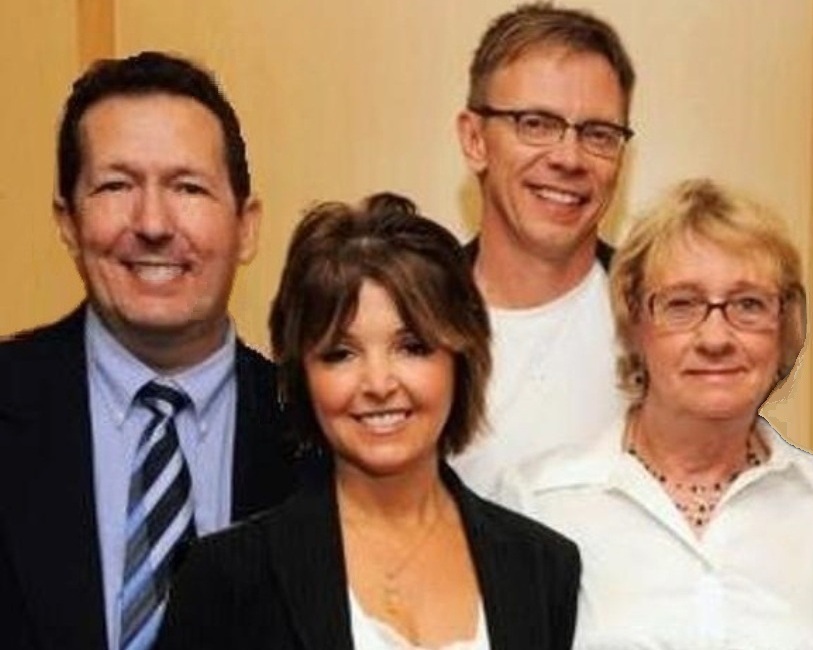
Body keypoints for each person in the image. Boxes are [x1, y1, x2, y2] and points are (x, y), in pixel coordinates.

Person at [156, 193, 581, 650]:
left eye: (412, 347)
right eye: (341, 353)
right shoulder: (227, 577)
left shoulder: (541, 567)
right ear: (303, 374)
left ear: (462, 356)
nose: (378, 383)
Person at [0, 52, 298, 650]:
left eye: (188, 187)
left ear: (247, 226)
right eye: (116, 185)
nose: (154, 222)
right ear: (67, 220)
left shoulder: (320, 434)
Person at [500, 178, 813, 648]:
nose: (716, 339)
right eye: (682, 305)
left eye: (748, 305)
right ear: (634, 323)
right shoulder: (538, 504)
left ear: (783, 327)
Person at [453, 2, 636, 495]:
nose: (568, 158)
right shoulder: (408, 314)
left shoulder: (660, 321)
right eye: (536, 124)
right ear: (474, 140)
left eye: (598, 134)